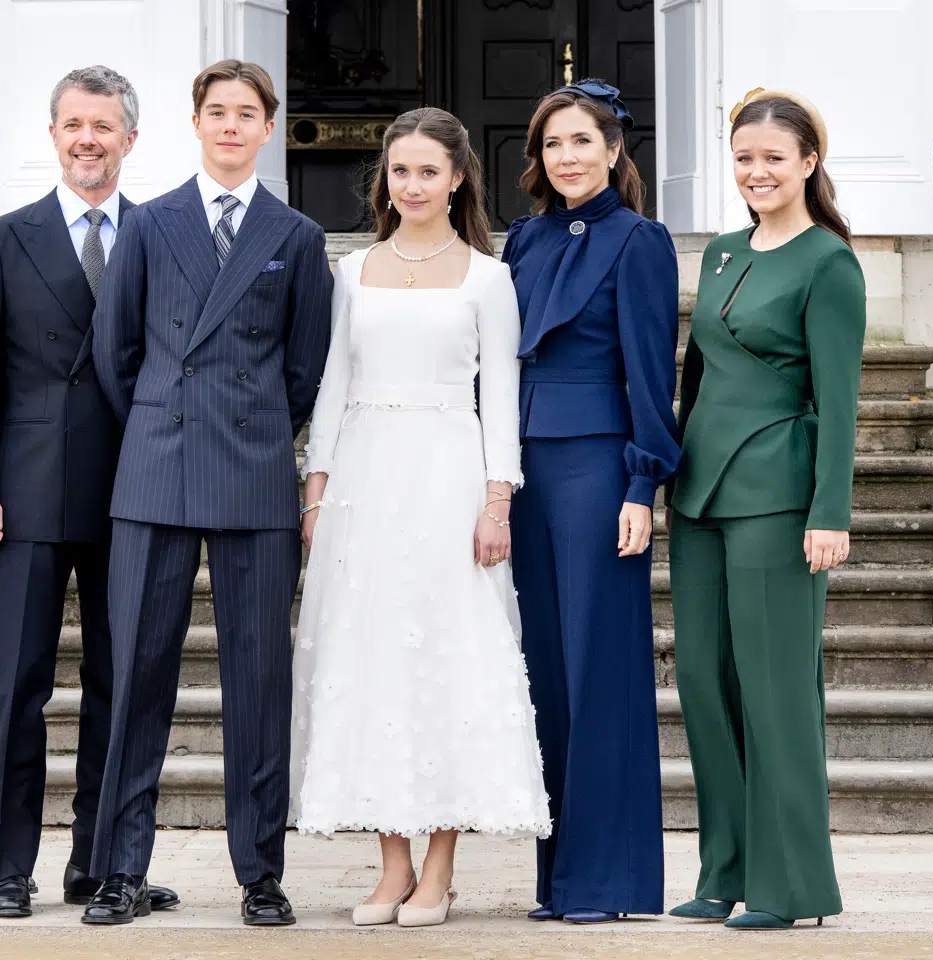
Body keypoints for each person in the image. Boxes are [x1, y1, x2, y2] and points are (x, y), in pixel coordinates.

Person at [83, 59, 334, 927]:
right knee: (135, 676)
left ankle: (260, 872)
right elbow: (116, 353)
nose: (231, 125)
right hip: (155, 469)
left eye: (246, 113)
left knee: (259, 681)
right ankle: (119, 870)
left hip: (254, 473)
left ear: (269, 128)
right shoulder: (150, 224)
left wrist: (252, 427)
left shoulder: (297, 235)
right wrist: (163, 420)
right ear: (196, 123)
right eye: (217, 111)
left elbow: (305, 368)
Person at [292, 107, 551, 929]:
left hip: (448, 476)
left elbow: (500, 397)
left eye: (428, 172)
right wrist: (316, 489)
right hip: (363, 480)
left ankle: (439, 866)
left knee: (444, 661)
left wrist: (497, 500)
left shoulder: (488, 278)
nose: (412, 185)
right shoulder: (351, 271)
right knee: (372, 663)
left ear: (458, 179)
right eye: (400, 171)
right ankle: (392, 864)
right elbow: (332, 385)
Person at [0, 66, 178, 919]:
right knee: (17, 687)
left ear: (130, 139)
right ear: (53, 135)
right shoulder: (5, 240)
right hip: (27, 494)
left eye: (103, 126)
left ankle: (103, 863)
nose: (88, 139)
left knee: (122, 685)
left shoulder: (159, 236)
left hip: (133, 490)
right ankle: (9, 866)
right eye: (74, 124)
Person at [667, 88, 863, 930]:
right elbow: (696, 376)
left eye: (774, 158)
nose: (757, 172)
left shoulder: (829, 263)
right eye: (744, 158)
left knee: (776, 689)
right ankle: (725, 872)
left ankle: (790, 888)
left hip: (779, 499)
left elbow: (840, 402)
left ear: (809, 162)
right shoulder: (718, 253)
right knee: (704, 683)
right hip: (700, 493)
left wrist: (830, 512)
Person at [500, 79, 680, 924]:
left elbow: (651, 370)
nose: (566, 157)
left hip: (600, 468)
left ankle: (609, 881)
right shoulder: (524, 240)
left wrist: (643, 483)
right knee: (547, 674)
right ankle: (560, 879)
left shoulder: (641, 241)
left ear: (613, 150)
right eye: (552, 144)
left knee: (601, 669)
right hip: (524, 468)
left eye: (581, 141)